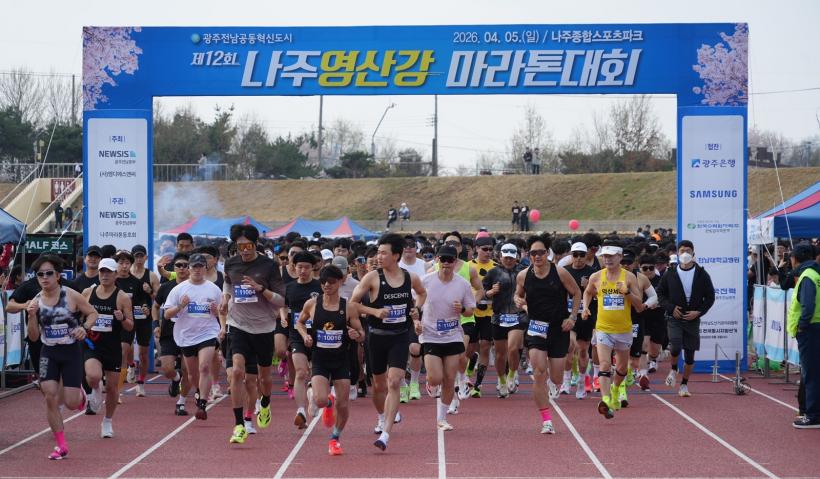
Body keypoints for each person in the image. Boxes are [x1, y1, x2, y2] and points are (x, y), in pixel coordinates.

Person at [351, 233, 426, 452]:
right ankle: (382, 415)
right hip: (376, 337)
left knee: (394, 382)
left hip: (399, 336)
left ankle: (385, 433)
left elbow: (422, 294)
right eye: (378, 252)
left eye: (384, 253)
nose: (379, 257)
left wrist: (416, 309)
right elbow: (353, 304)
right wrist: (374, 311)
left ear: (396, 256)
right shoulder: (372, 278)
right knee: (378, 386)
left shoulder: (410, 277)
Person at [26, 254, 99, 460]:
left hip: (70, 351)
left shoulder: (71, 295)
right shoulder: (36, 302)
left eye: (49, 273)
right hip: (49, 352)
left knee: (71, 403)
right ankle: (61, 445)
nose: (44, 277)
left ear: (58, 275)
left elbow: (93, 313)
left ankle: (81, 395)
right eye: (40, 274)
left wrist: (84, 328)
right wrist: (31, 316)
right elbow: (34, 337)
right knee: (49, 395)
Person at [221, 224, 285, 444]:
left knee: (263, 378)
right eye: (240, 246)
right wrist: (225, 299)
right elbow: (228, 284)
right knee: (237, 373)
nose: (245, 250)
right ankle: (239, 425)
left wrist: (261, 289)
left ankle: (265, 403)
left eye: (248, 246)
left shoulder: (269, 266)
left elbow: (281, 300)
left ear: (255, 244)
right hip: (238, 325)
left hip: (264, 328)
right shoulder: (231, 264)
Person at [515, 234, 581, 433]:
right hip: (536, 327)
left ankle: (556, 383)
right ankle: (546, 420)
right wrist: (519, 301)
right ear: (529, 254)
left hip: (558, 328)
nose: (537, 256)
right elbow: (518, 295)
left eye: (541, 252)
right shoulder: (523, 275)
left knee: (557, 377)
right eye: (533, 253)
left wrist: (572, 318)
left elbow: (576, 293)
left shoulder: (559, 272)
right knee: (539, 372)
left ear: (548, 253)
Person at [296, 265, 365, 455]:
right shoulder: (312, 304)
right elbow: (299, 322)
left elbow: (361, 334)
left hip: (342, 360)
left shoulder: (348, 307)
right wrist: (305, 335)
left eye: (331, 282)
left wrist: (356, 334)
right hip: (320, 359)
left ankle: (335, 438)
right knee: (319, 400)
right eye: (323, 282)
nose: (327, 285)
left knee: (343, 404)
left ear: (340, 282)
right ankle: (326, 403)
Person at [582, 242, 645, 419]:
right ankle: (606, 400)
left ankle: (616, 388)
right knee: (604, 365)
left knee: (622, 368)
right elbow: (588, 292)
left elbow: (640, 306)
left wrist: (627, 293)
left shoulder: (629, 277)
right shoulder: (596, 276)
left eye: (611, 256)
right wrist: (585, 307)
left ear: (620, 257)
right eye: (605, 256)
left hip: (624, 330)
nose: (607, 259)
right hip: (603, 328)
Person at [418, 245, 476, 431]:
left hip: (453, 335)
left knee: (450, 379)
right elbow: (414, 305)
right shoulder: (425, 281)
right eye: (442, 259)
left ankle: (442, 418)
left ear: (455, 261)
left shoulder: (463, 284)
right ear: (437, 260)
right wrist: (415, 321)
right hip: (430, 335)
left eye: (450, 260)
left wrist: (462, 309)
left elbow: (470, 310)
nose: (446, 263)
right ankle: (431, 383)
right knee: (436, 378)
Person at [163, 253, 222, 420]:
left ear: (205, 268)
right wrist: (180, 306)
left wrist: (216, 311)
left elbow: (223, 313)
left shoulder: (214, 289)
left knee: (204, 367)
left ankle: (202, 404)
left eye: (200, 266)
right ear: (189, 269)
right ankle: (198, 391)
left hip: (208, 333)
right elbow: (167, 314)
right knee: (192, 374)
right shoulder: (179, 289)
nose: (197, 270)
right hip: (186, 335)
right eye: (194, 266)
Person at [82, 258, 134, 437]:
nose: (104, 275)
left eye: (108, 272)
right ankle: (96, 389)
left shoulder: (122, 297)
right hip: (92, 344)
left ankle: (107, 421)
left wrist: (122, 319)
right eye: (102, 271)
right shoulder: (88, 292)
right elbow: (77, 313)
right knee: (93, 376)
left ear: (115, 274)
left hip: (112, 347)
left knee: (112, 388)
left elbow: (130, 326)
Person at [657, 240, 715, 397]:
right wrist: (671, 308)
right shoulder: (670, 273)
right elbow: (660, 294)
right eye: (682, 251)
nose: (685, 254)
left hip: (692, 319)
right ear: (677, 253)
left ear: (693, 253)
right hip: (674, 317)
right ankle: (673, 368)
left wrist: (698, 312)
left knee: (690, 356)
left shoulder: (702, 274)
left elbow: (710, 297)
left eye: (688, 251)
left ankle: (684, 384)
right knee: (675, 345)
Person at [281, 251, 322, 429]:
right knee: (300, 372)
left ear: (313, 268)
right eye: (299, 267)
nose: (303, 271)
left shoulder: (320, 286)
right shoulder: (289, 287)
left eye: (306, 267)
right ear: (294, 267)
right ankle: (300, 411)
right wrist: (284, 316)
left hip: (320, 335)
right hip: (297, 334)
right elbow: (283, 306)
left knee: (317, 373)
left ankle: (312, 394)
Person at [483, 243, 526, 398]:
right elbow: (482, 292)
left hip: (518, 315)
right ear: (500, 257)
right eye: (506, 257)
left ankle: (512, 374)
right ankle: (501, 380)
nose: (508, 260)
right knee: (500, 354)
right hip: (499, 316)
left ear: (516, 258)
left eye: (511, 258)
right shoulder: (493, 272)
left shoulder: (524, 272)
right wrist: (490, 292)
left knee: (513, 348)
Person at [152, 253, 192, 416]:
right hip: (169, 333)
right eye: (178, 265)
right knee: (168, 369)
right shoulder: (166, 287)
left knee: (187, 370)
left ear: (190, 268)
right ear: (174, 268)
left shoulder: (196, 287)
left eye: (185, 265)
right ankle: (176, 379)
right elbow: (155, 306)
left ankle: (181, 402)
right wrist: (156, 324)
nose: (182, 268)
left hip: (190, 334)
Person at [787, 243, 820, 428]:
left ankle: (813, 415)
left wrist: (801, 326)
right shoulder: (815, 274)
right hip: (815, 327)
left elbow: (808, 306)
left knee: (811, 373)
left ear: (795, 258)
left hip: (810, 330)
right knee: (814, 372)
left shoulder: (807, 276)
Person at [561, 242, 596, 399]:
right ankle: (566, 381)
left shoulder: (593, 273)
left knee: (582, 351)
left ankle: (581, 382)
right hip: (569, 316)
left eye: (582, 255)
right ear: (571, 255)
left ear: (586, 255)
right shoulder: (564, 271)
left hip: (586, 316)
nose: (579, 258)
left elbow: (600, 295)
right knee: (569, 346)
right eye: (575, 255)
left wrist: (589, 288)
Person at [467, 235, 497, 398]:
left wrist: (493, 294)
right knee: (469, 348)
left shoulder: (496, 268)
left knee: (485, 345)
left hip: (489, 313)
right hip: (470, 313)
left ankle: (478, 385)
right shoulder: (467, 266)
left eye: (491, 249)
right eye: (485, 249)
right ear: (476, 249)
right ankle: (470, 363)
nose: (488, 252)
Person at [398, 235, 426, 403]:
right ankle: (402, 385)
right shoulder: (395, 265)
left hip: (419, 309)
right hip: (398, 310)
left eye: (411, 245)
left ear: (417, 248)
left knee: (415, 349)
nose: (408, 248)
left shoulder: (425, 266)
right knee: (399, 350)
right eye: (405, 245)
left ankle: (414, 383)